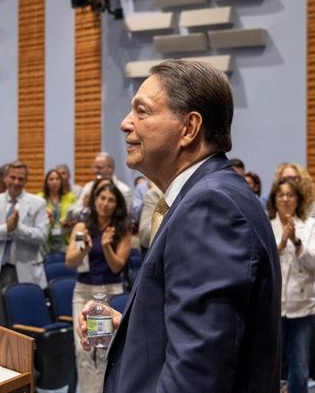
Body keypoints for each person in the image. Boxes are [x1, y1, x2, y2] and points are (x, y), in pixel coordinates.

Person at [78, 60, 281, 393]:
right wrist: (128, 326)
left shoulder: (211, 206)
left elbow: (198, 374)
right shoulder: (211, 194)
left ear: (189, 128)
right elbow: (196, 335)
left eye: (141, 111)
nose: (125, 123)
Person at [66, 181, 131, 393]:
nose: (105, 203)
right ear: (95, 200)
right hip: (84, 292)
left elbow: (117, 266)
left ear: (116, 204)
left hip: (109, 294)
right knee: (83, 348)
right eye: (102, 198)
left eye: (111, 200)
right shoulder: (81, 227)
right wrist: (84, 248)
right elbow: (71, 261)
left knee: (104, 350)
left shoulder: (121, 229)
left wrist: (105, 246)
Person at [0, 161, 48, 326]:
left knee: (24, 325)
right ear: (5, 178)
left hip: (25, 270)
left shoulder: (37, 203)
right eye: (12, 178)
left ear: (26, 180)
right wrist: (6, 229)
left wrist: (18, 228)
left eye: (20, 179)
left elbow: (42, 235)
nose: (16, 182)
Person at [267, 177, 315, 393]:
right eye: (281, 195)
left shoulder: (309, 225)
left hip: (302, 304)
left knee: (299, 365)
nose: (285, 199)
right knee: (270, 364)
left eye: (290, 195)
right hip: (274, 305)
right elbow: (262, 260)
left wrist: (296, 241)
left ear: (298, 199)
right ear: (275, 199)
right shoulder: (267, 224)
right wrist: (281, 244)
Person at [38, 169, 77, 256]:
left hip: (65, 238)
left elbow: (77, 219)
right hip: (45, 240)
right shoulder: (39, 198)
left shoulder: (70, 197)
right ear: (46, 182)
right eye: (51, 179)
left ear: (61, 181)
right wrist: (46, 218)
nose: (54, 181)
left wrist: (68, 221)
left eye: (57, 179)